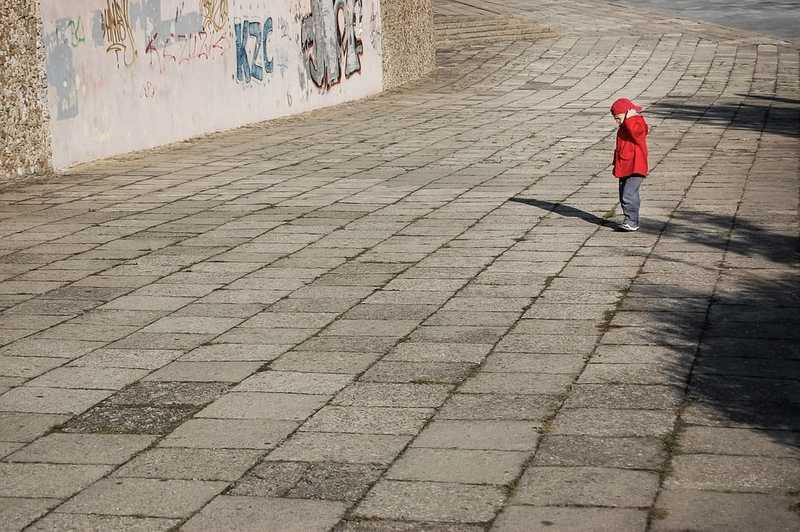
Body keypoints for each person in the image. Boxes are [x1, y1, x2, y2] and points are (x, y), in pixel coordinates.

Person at [611, 98, 649, 231]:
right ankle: (631, 219)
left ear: (627, 113)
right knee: (624, 195)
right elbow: (621, 148)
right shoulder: (624, 126)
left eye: (618, 117)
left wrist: (631, 117)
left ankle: (632, 221)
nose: (617, 121)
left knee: (628, 195)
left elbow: (636, 132)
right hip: (626, 167)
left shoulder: (636, 123)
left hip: (636, 168)